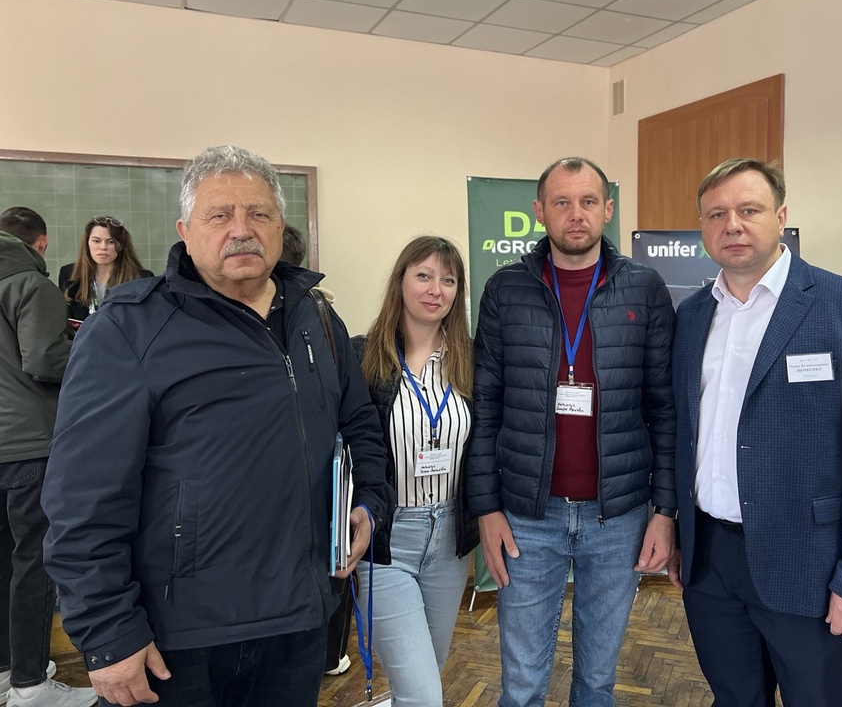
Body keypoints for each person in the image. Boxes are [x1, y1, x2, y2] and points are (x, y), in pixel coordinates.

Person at [40, 145, 395, 707]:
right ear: (185, 231)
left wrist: (371, 504)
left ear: (279, 227)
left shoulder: (317, 318)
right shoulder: (129, 329)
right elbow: (81, 498)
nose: (241, 230)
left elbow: (360, 425)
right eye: (219, 215)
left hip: (297, 624)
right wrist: (106, 632)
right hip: (176, 640)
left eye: (258, 214)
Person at [668, 158, 842, 707]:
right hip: (710, 561)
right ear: (702, 227)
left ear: (780, 216)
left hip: (811, 566)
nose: (732, 225)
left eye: (748, 210)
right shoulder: (691, 317)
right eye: (716, 214)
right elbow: (682, 432)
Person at [466, 156, 676, 707]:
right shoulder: (505, 289)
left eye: (587, 202)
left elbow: (665, 409)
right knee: (522, 685)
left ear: (608, 209)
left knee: (598, 682)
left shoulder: (644, 288)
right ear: (539, 211)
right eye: (562, 202)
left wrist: (665, 511)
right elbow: (485, 406)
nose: (575, 214)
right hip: (526, 516)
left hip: (620, 514)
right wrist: (486, 508)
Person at [351, 235, 478, 707]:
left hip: (449, 538)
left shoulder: (471, 360)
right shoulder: (362, 357)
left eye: (448, 280)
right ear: (400, 281)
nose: (435, 289)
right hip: (386, 540)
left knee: (428, 670)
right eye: (423, 275)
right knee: (424, 694)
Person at [0, 207, 95, 707]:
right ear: (42, 244)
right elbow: (43, 359)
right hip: (28, 443)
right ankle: (31, 684)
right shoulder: (31, 284)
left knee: (3, 562)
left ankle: (7, 668)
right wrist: (87, 345)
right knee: (34, 564)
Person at [58, 217, 152, 321]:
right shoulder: (69, 274)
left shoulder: (141, 279)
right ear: (87, 243)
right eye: (96, 241)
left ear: (121, 245)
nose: (103, 247)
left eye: (111, 242)